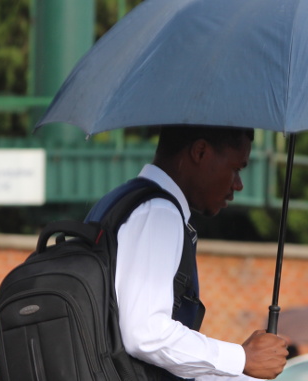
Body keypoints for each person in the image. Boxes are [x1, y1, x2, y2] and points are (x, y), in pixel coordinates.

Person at [84, 125, 288, 380]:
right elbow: (146, 334)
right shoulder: (160, 212)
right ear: (200, 152)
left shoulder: (117, 201)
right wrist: (243, 358)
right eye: (236, 168)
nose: (239, 184)